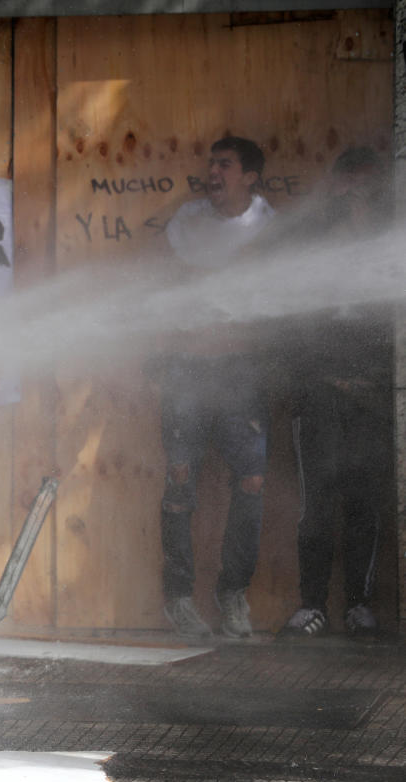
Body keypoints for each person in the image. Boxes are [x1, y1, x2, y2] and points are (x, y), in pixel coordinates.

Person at [157, 136, 276, 639]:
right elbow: (175, 279)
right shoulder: (187, 221)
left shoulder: (271, 226)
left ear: (250, 175)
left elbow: (274, 292)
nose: (214, 172)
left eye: (225, 164)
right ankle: (179, 598)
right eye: (210, 163)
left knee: (251, 482)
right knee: (180, 479)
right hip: (186, 368)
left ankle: (233, 595)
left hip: (242, 372)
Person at [279, 147, 391, 639]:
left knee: (366, 504)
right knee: (317, 507)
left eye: (365, 187)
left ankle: (359, 606)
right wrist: (294, 393)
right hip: (319, 397)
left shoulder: (392, 240)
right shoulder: (310, 243)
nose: (354, 197)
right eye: (347, 186)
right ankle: (311, 607)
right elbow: (285, 325)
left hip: (373, 401)